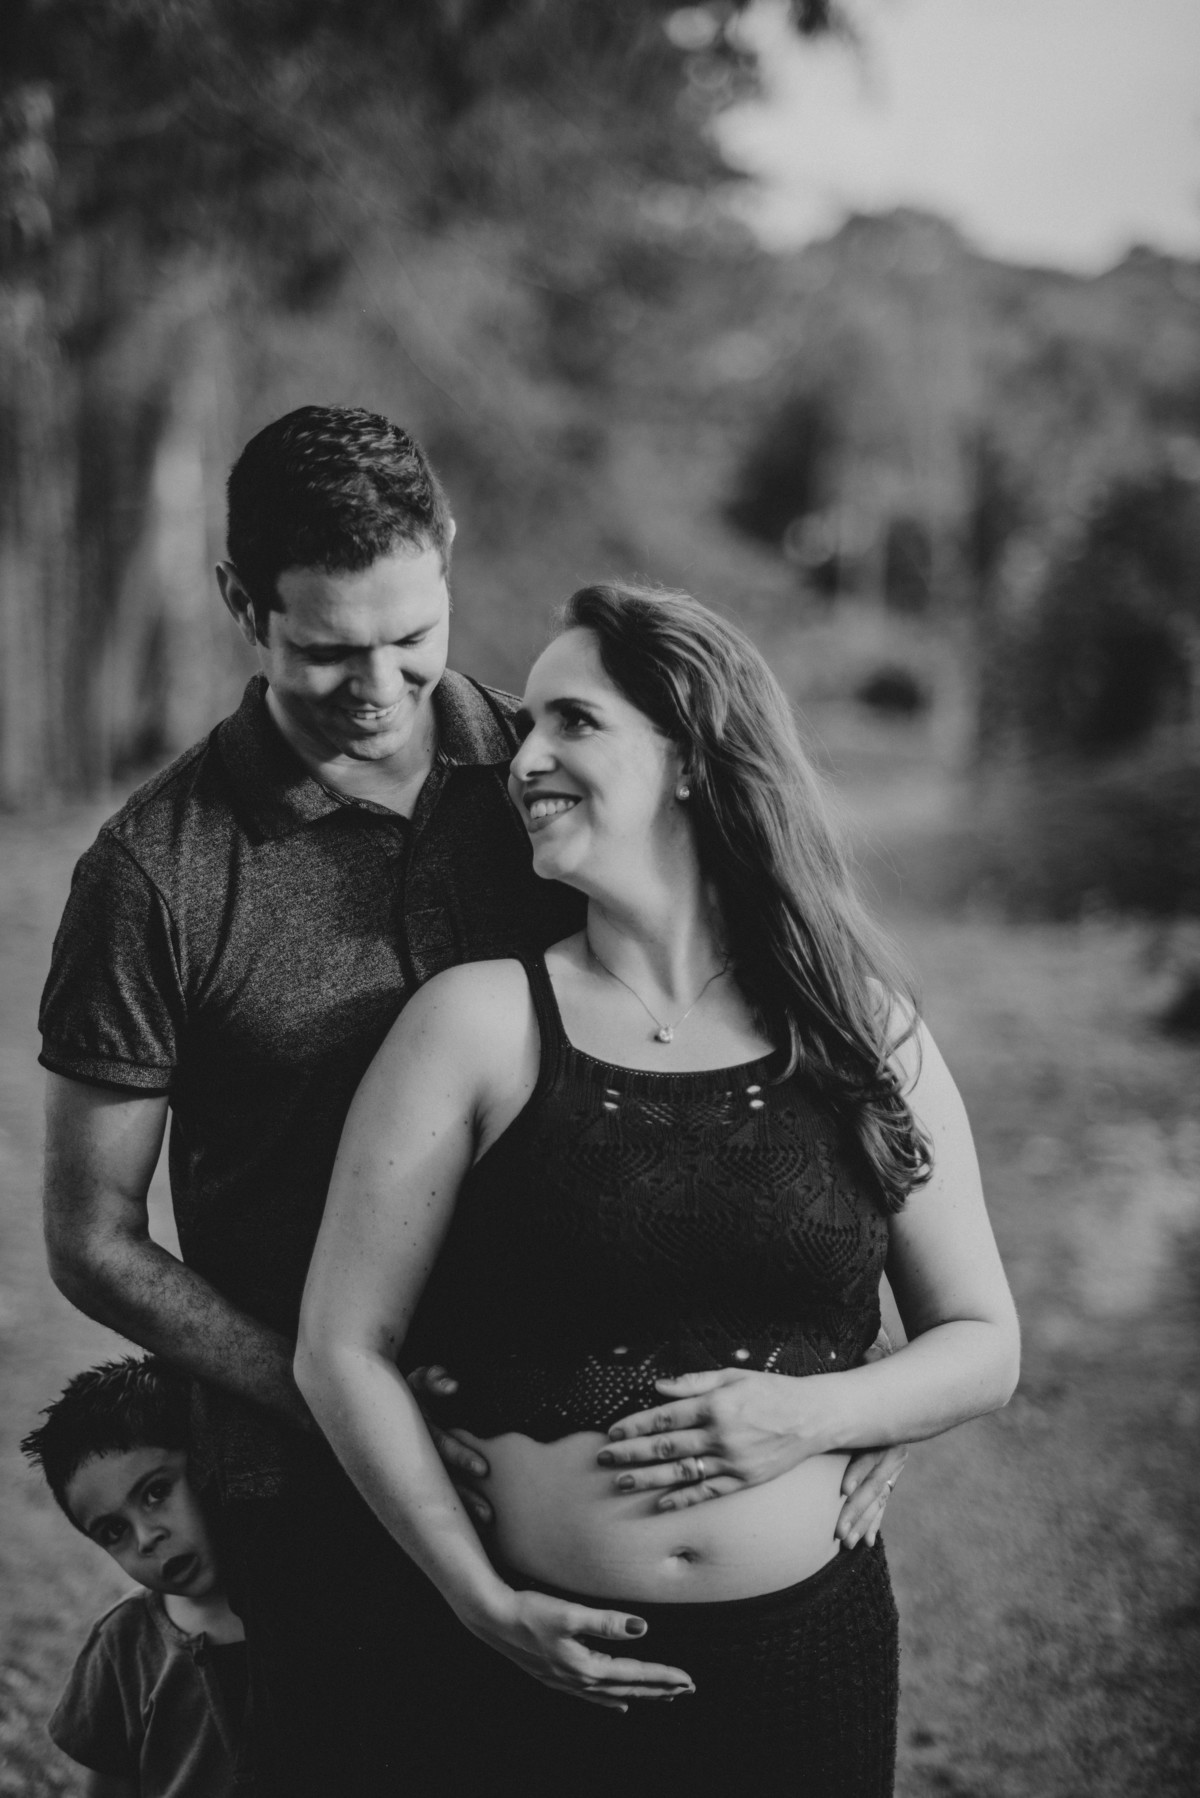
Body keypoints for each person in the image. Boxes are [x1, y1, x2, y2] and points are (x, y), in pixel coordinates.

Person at [38, 407, 903, 1794]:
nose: (377, 685)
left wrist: (842, 1389)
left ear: (446, 552)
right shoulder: (157, 873)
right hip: (314, 1492)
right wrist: (338, 1393)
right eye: (327, 649)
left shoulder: (556, 777)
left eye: (411, 635)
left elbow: (751, 1073)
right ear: (242, 605)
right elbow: (91, 1236)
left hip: (583, 1469)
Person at [296, 581, 1022, 1797]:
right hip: (531, 1668)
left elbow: (986, 1341)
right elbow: (341, 1346)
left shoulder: (861, 1029)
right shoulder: (475, 1022)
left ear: (690, 755)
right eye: (526, 725)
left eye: (574, 720)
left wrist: (822, 1413)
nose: (524, 758)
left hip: (807, 1665)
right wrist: (478, 1604)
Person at [21, 1357, 245, 1798]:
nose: (146, 1538)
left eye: (156, 1492)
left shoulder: (294, 1597)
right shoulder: (120, 1643)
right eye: (114, 1531)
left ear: (205, 1461)